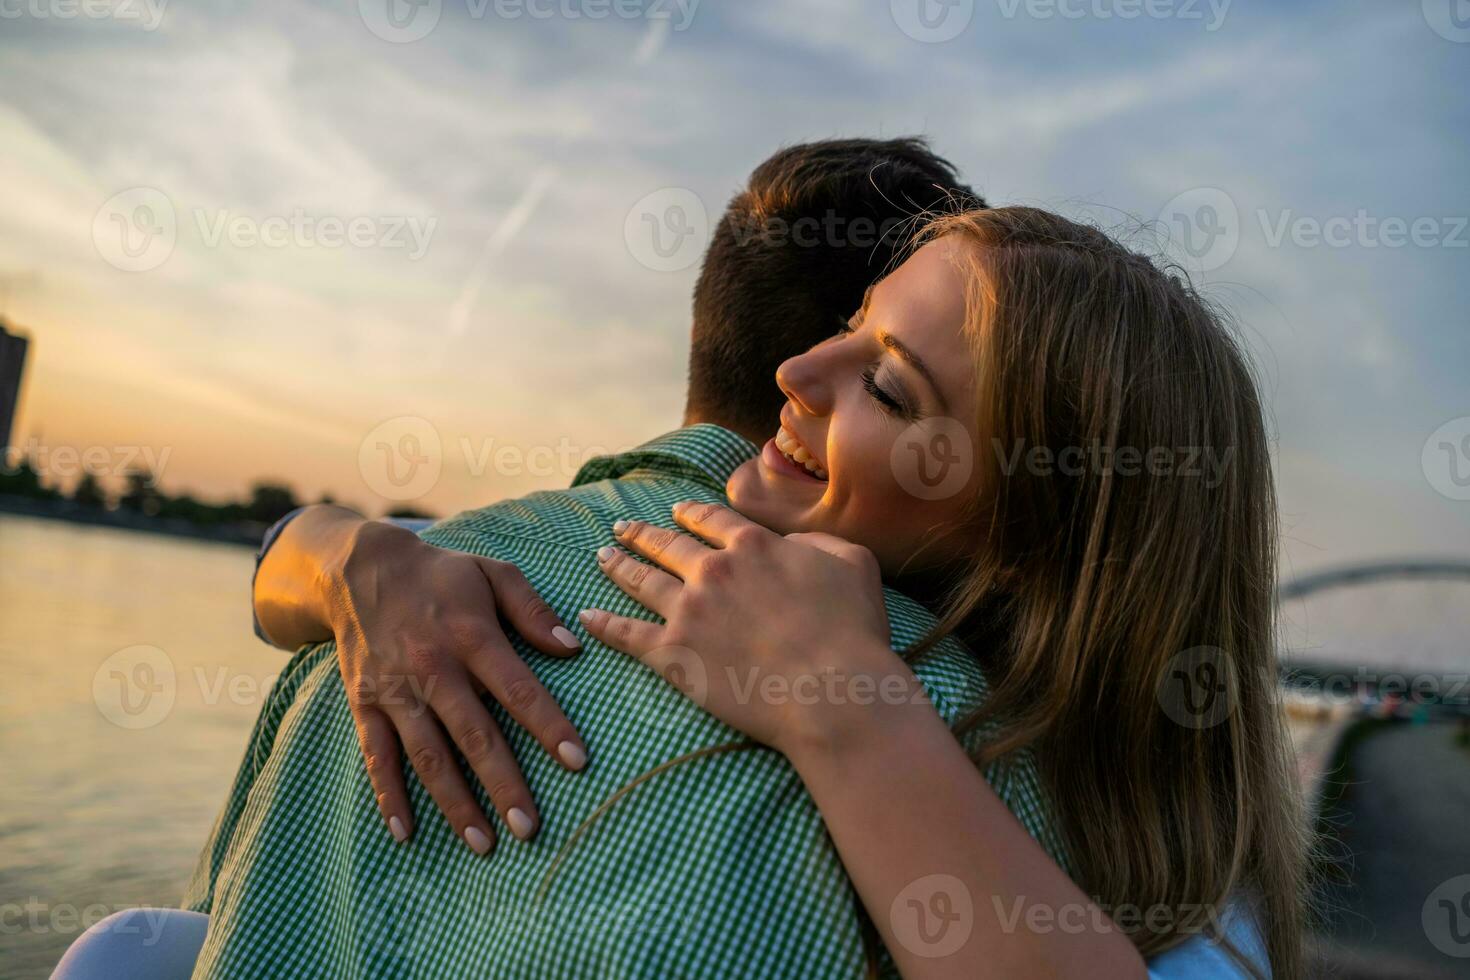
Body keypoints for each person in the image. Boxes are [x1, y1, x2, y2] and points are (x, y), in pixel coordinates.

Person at [52, 146, 1293, 979]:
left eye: (890, 383)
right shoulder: (467, 587)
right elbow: (290, 562)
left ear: (1035, 534)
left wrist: (846, 709)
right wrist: (349, 556)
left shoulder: (1001, 800)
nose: (798, 377)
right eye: (850, 325)